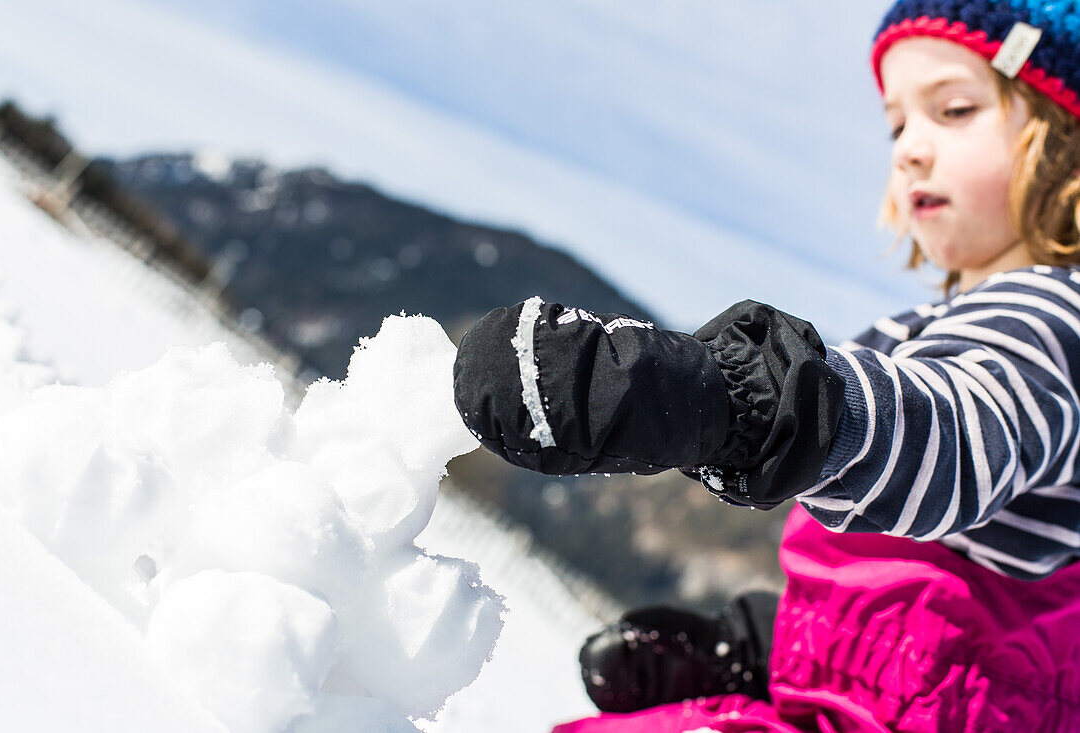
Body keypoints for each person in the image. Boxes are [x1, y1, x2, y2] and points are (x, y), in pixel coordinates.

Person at [452, 1, 1080, 731]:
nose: (908, 148)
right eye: (898, 124)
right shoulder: (926, 333)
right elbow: (908, 594)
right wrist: (752, 648)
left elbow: (957, 433)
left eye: (954, 108)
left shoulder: (1055, 323)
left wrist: (734, 400)